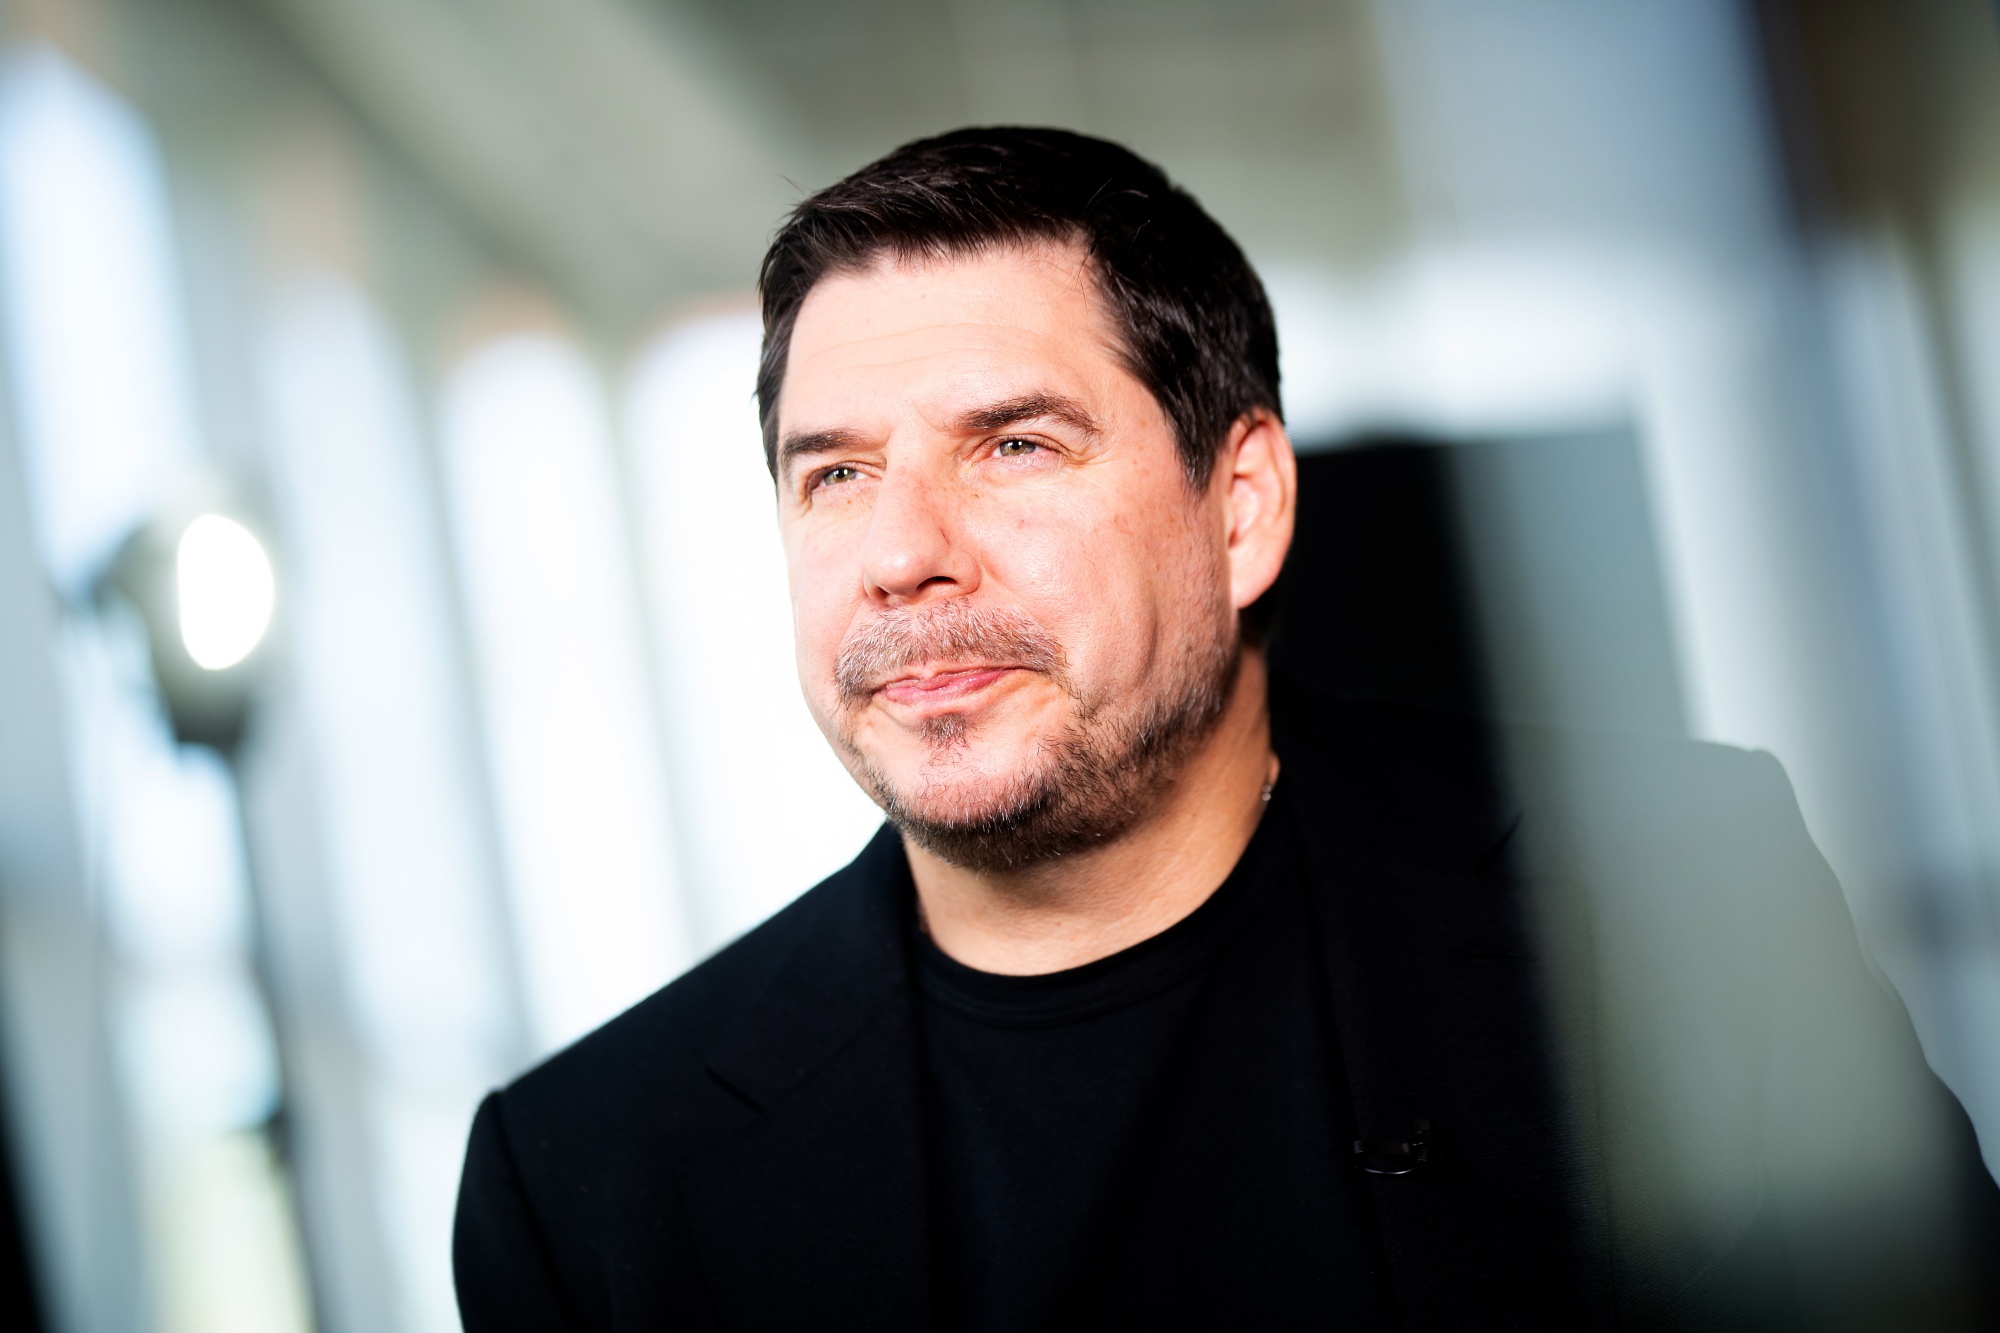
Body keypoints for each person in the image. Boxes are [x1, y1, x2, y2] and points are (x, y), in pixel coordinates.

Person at [454, 128, 1997, 1331]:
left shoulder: (1682, 901)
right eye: (836, 474)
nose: (900, 552)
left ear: (1242, 506)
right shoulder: (593, 1181)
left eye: (1013, 444)